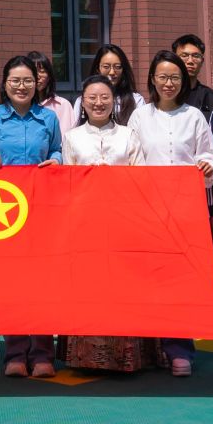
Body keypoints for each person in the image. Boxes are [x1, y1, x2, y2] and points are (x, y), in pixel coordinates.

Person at [130, 51, 213, 376]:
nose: (169, 83)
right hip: (150, 211)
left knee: (182, 281)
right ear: (152, 80)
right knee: (150, 280)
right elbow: (132, 160)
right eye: (163, 77)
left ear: (183, 81)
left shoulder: (194, 116)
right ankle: (150, 348)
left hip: (187, 210)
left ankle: (180, 350)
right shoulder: (140, 117)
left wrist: (208, 167)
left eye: (175, 78)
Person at [0, 54, 64, 378]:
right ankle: (14, 353)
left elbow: (57, 150)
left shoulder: (48, 118)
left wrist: (56, 161)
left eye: (27, 80)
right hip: (6, 215)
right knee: (11, 284)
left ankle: (42, 354)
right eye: (15, 81)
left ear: (36, 84)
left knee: (42, 284)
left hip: (41, 213)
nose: (21, 86)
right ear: (5, 84)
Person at [62, 74, 153, 374]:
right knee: (89, 287)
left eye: (105, 97)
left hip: (123, 222)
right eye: (92, 98)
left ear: (114, 102)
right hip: (85, 224)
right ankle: (86, 358)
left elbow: (140, 176)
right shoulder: (72, 137)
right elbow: (67, 181)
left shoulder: (128, 135)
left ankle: (125, 357)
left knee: (123, 287)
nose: (98, 103)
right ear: (83, 103)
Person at [81, 44, 143, 124]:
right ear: (97, 68)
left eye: (117, 67)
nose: (112, 72)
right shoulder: (84, 100)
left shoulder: (136, 100)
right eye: (106, 67)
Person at [173, 34, 213, 115]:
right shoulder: (165, 95)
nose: (190, 61)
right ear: (174, 59)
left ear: (202, 61)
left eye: (196, 56)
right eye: (184, 55)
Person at [28, 50, 77, 133]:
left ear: (49, 76)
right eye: (33, 71)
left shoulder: (62, 105)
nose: (37, 76)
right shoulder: (18, 106)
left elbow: (67, 138)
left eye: (42, 71)